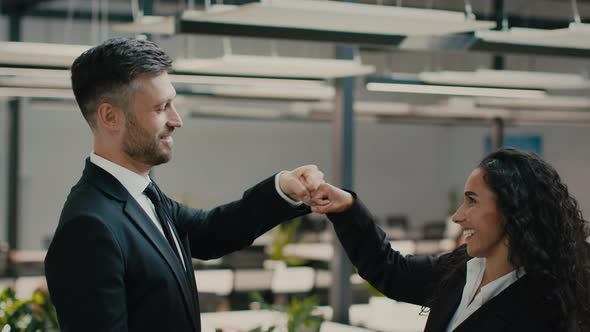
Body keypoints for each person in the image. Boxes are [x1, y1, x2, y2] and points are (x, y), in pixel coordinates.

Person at [44, 37, 324, 332]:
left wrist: (282, 189)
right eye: (160, 107)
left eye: (172, 104)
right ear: (110, 117)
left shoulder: (142, 194)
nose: (176, 120)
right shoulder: (89, 226)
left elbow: (210, 232)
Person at [311, 148, 590, 332]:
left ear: (512, 210)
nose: (457, 216)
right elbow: (390, 270)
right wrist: (346, 209)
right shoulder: (462, 268)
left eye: (472, 202)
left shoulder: (545, 309)